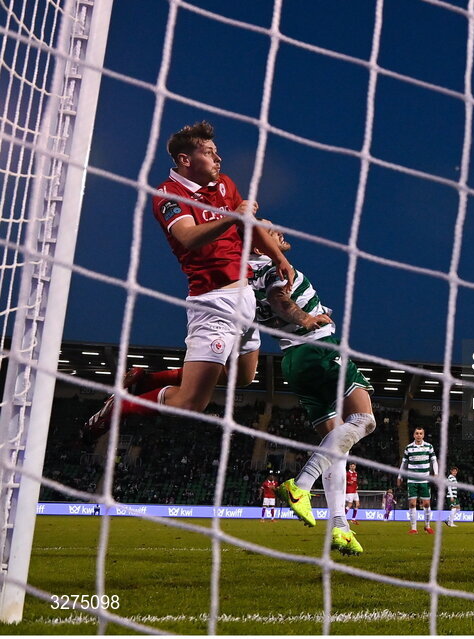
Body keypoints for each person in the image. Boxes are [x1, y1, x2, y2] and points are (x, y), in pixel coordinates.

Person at [82, 121, 293, 444]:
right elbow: (188, 237)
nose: (218, 158)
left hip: (244, 295)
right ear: (185, 160)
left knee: (244, 377)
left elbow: (248, 228)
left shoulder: (223, 184)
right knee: (191, 402)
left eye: (216, 151)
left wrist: (278, 257)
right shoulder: (168, 194)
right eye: (209, 153)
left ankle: (146, 379)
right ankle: (121, 406)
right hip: (214, 303)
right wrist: (234, 216)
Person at [246, 224, 375, 557]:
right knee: (364, 420)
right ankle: (300, 485)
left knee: (337, 451)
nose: (279, 233)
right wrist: (305, 319)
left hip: (293, 362)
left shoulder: (247, 280)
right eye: (272, 233)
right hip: (319, 349)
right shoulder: (274, 268)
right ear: (260, 247)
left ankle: (340, 528)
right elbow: (279, 299)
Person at [398, 427, 438, 534]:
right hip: (412, 480)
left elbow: (434, 461)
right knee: (412, 504)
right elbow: (404, 463)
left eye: (421, 433)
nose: (419, 435)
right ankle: (414, 528)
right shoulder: (409, 448)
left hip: (425, 480)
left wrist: (436, 473)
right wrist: (399, 476)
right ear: (414, 435)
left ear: (423, 435)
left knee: (426, 504)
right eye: (417, 433)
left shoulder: (429, 446)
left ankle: (427, 526)